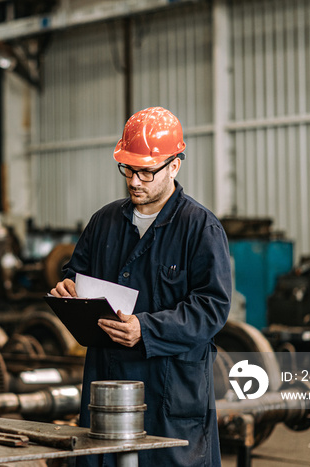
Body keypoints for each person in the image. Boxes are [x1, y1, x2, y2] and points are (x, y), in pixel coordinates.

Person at [50, 107, 231, 466]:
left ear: (175, 165)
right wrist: (67, 288)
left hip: (170, 393)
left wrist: (145, 329)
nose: (134, 181)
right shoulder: (103, 222)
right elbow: (77, 273)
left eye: (146, 171)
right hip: (107, 384)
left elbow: (212, 307)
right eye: (128, 170)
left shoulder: (200, 229)